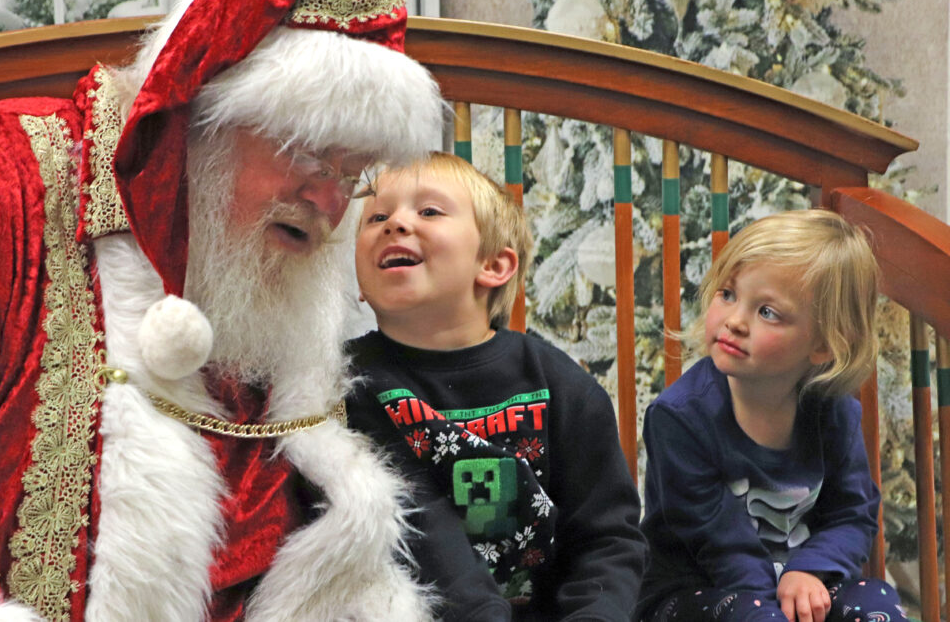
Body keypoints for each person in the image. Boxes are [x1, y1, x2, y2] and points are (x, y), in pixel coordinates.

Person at [0, 0, 446, 620]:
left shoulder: (254, 276)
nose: (331, 203)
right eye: (312, 154)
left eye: (354, 174)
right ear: (199, 114)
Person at [346, 152, 648, 621]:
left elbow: (606, 537)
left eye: (428, 211)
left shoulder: (562, 386)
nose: (395, 223)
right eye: (377, 216)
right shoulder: (346, 383)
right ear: (361, 283)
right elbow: (414, 527)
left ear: (493, 265)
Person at [637, 209, 908, 622]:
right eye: (727, 294)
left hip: (804, 582)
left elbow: (852, 515)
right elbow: (718, 543)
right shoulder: (679, 418)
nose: (734, 321)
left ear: (821, 345)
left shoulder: (833, 413)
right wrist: (778, 607)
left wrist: (808, 571)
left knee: (877, 602)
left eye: (767, 312)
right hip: (697, 592)